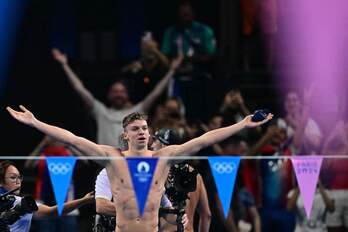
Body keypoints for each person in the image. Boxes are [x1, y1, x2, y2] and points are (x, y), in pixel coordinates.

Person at [6, 105, 272, 232]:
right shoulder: (112, 158)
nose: (142, 132)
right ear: (125, 136)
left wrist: (242, 125)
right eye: (135, 129)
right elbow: (72, 139)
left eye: (145, 128)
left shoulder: (164, 156)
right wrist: (35, 123)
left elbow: (204, 140)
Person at [52, 48, 183, 147]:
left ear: (127, 95)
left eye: (122, 91)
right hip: (106, 165)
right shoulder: (100, 111)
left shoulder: (137, 112)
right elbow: (80, 89)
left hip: (131, 164)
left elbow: (156, 93)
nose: (118, 94)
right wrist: (64, 65)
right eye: (115, 91)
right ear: (108, 95)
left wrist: (172, 70)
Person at [0, 160, 94, 232]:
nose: (18, 182)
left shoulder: (23, 202)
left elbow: (52, 211)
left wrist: (83, 200)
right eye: (13, 177)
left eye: (19, 177)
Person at [161, 1, 216, 121]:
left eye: (187, 14)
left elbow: (210, 55)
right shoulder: (171, 32)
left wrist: (187, 58)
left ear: (193, 14)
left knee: (198, 113)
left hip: (199, 77)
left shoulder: (204, 30)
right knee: (176, 111)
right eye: (182, 14)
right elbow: (165, 54)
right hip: (177, 78)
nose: (185, 17)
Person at [151, 129, 211, 232]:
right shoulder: (196, 175)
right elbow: (207, 215)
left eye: (155, 141)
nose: (151, 146)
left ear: (163, 146)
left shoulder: (159, 174)